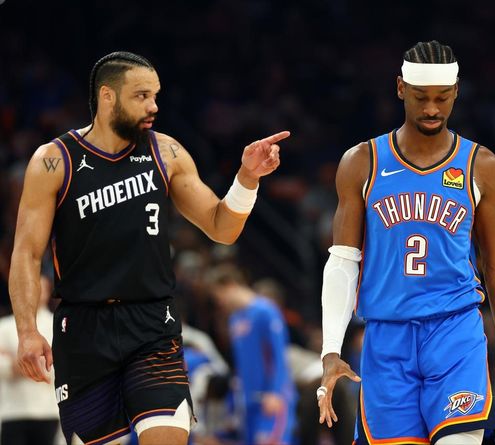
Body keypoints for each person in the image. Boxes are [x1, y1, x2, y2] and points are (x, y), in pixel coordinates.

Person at [8, 51, 288, 445]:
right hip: (84, 329)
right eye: (141, 96)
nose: (153, 106)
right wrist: (26, 331)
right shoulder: (55, 161)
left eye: (155, 96)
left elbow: (220, 227)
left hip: (152, 324)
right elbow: (26, 253)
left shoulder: (166, 152)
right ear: (107, 97)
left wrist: (247, 178)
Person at [317, 41, 495, 445]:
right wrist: (331, 349)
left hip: (455, 332)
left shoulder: (481, 165)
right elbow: (344, 260)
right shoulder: (362, 161)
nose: (432, 109)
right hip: (386, 337)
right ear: (401, 88)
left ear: (456, 92)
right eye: (421, 97)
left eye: (442, 97)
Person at [209, 265, 297, 445]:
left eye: (219, 296)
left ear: (230, 285)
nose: (220, 303)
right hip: (248, 401)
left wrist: (275, 392)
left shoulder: (266, 311)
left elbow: (279, 355)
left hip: (270, 398)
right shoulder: (234, 319)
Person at [0, 274, 60, 445]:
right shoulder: (4, 326)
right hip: (12, 412)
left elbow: (60, 368)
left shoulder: (55, 325)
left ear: (48, 292)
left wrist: (16, 362)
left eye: (40, 288)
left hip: (47, 411)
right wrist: (38, 361)